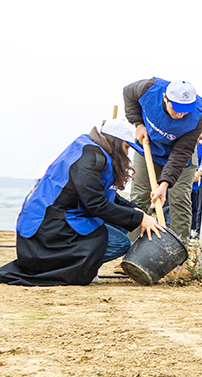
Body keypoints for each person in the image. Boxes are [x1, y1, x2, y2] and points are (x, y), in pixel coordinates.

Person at [0, 118, 163, 286]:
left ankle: (85, 265)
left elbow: (107, 195)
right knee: (120, 243)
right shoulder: (89, 158)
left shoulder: (94, 149)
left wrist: (136, 210)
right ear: (115, 142)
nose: (127, 154)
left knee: (125, 222)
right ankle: (76, 268)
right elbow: (96, 204)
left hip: (64, 218)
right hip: (46, 229)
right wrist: (139, 218)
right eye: (126, 147)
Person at [124, 77, 202, 251]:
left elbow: (181, 152)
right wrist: (138, 123)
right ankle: (132, 250)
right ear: (165, 98)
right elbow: (128, 94)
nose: (181, 115)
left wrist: (164, 185)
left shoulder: (199, 114)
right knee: (139, 197)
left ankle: (177, 253)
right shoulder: (148, 88)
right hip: (149, 148)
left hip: (179, 156)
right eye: (177, 109)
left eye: (186, 111)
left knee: (180, 199)